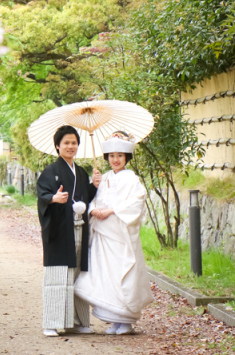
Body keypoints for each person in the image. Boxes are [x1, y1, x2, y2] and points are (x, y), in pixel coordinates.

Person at [74, 131, 154, 335]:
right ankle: (114, 319)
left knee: (122, 273)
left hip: (120, 232)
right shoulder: (105, 177)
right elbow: (94, 199)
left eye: (119, 155)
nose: (115, 160)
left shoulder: (132, 179)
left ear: (126, 157)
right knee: (105, 274)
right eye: (111, 156)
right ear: (107, 157)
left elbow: (136, 202)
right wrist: (92, 207)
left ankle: (126, 321)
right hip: (103, 232)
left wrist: (111, 210)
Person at [37, 125, 100, 337]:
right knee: (57, 275)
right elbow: (42, 195)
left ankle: (78, 321)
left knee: (78, 274)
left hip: (80, 228)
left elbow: (85, 196)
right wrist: (53, 198)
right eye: (66, 143)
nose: (70, 146)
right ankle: (52, 322)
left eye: (74, 142)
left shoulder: (81, 172)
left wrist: (94, 185)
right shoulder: (51, 171)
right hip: (59, 229)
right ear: (57, 146)